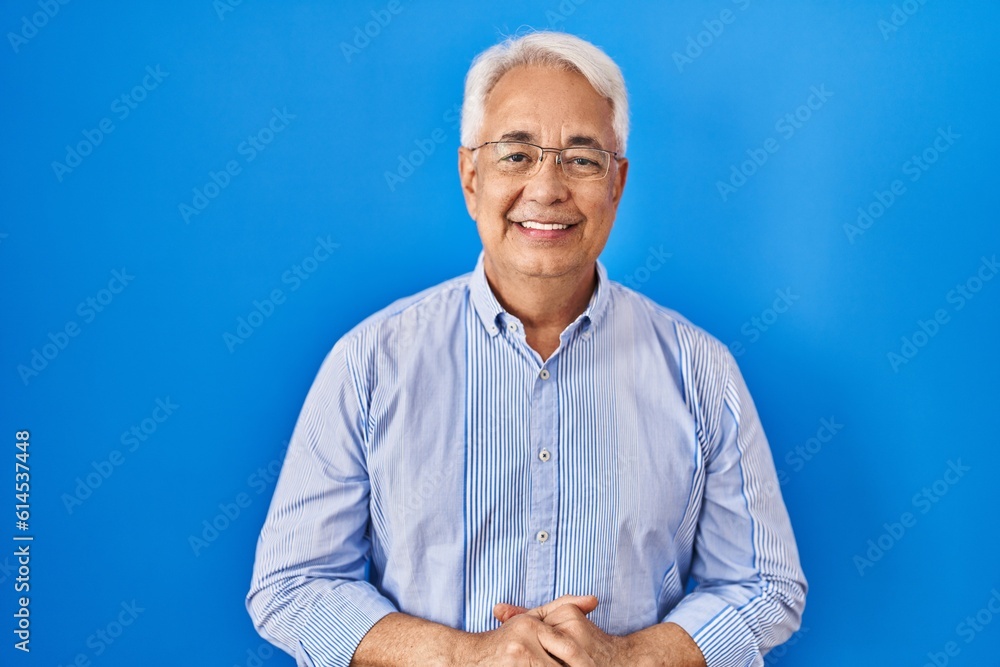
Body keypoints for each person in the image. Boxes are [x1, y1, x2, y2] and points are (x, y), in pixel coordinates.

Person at [247, 30, 807, 667]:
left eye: (582, 158)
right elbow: (293, 586)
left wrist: (627, 658)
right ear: (470, 176)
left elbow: (764, 587)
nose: (547, 188)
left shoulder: (701, 371)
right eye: (515, 155)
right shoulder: (369, 362)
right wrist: (466, 656)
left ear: (617, 182)